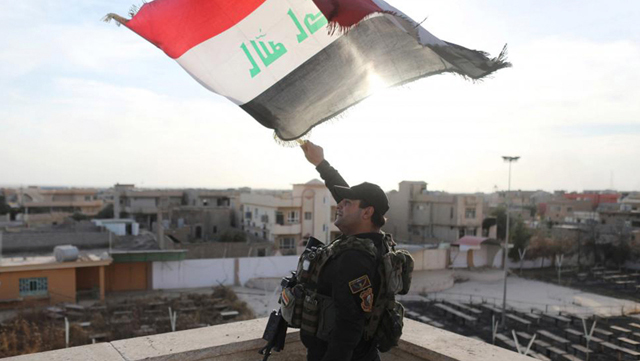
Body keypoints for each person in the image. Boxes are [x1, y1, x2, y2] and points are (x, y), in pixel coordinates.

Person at [299, 141, 389, 361]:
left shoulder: (355, 258)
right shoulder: (370, 241)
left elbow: (349, 325)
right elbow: (350, 200)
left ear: (367, 213)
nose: (339, 205)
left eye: (346, 202)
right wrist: (321, 163)